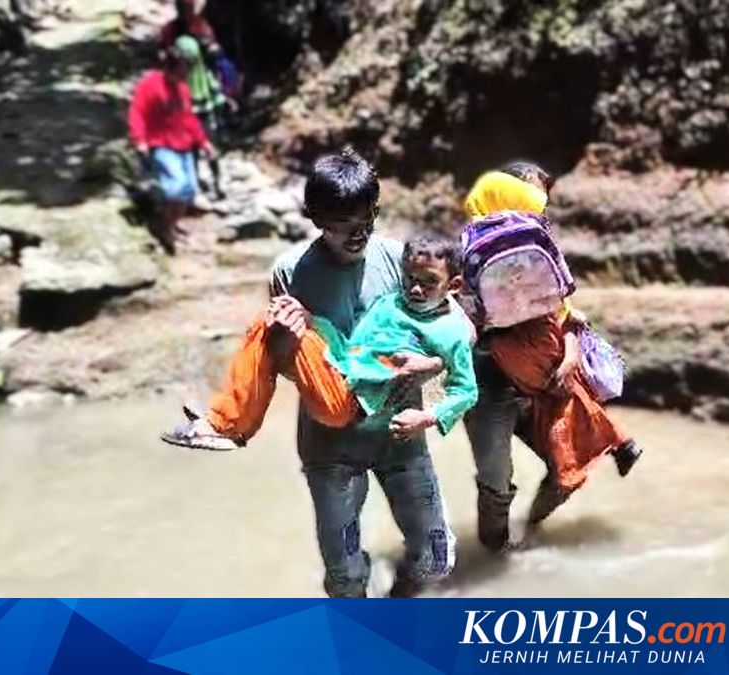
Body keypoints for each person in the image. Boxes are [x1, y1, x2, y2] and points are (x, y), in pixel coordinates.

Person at [178, 149, 455, 597]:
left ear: (377, 211)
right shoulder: (291, 272)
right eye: (344, 226)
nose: (358, 235)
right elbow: (286, 364)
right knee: (345, 578)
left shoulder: (404, 261)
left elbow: (452, 336)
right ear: (317, 219)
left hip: (399, 435)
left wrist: (429, 364)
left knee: (434, 558)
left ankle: (400, 614)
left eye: (367, 221)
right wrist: (288, 337)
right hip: (332, 446)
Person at [159, 233, 477, 453]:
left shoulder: (450, 330)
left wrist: (428, 416)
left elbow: (466, 390)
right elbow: (350, 347)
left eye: (429, 282)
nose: (417, 289)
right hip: (339, 376)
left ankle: (227, 424)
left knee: (266, 326)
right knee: (276, 318)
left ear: (454, 284)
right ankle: (228, 421)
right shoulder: (391, 305)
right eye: (411, 279)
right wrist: (311, 319)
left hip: (352, 405)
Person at [462, 164, 641, 551]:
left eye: (541, 201)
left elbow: (568, 312)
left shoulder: (536, 250)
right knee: (495, 478)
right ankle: (496, 558)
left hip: (547, 374)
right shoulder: (468, 252)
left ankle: (530, 532)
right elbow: (454, 323)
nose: (537, 208)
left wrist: (571, 355)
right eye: (529, 196)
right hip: (488, 380)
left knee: (566, 467)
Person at [127, 40, 217, 255]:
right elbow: (137, 112)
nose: (185, 75)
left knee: (188, 192)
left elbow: (189, 119)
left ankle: (171, 224)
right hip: (161, 144)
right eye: (183, 70)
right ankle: (163, 228)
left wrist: (203, 142)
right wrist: (139, 139)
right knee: (176, 188)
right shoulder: (150, 84)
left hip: (184, 145)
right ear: (172, 66)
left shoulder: (183, 90)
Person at [174, 35, 232, 199]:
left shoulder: (203, 72)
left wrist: (224, 102)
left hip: (204, 114)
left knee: (210, 149)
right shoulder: (178, 77)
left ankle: (216, 182)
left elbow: (214, 90)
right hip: (188, 117)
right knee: (193, 151)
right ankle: (196, 182)